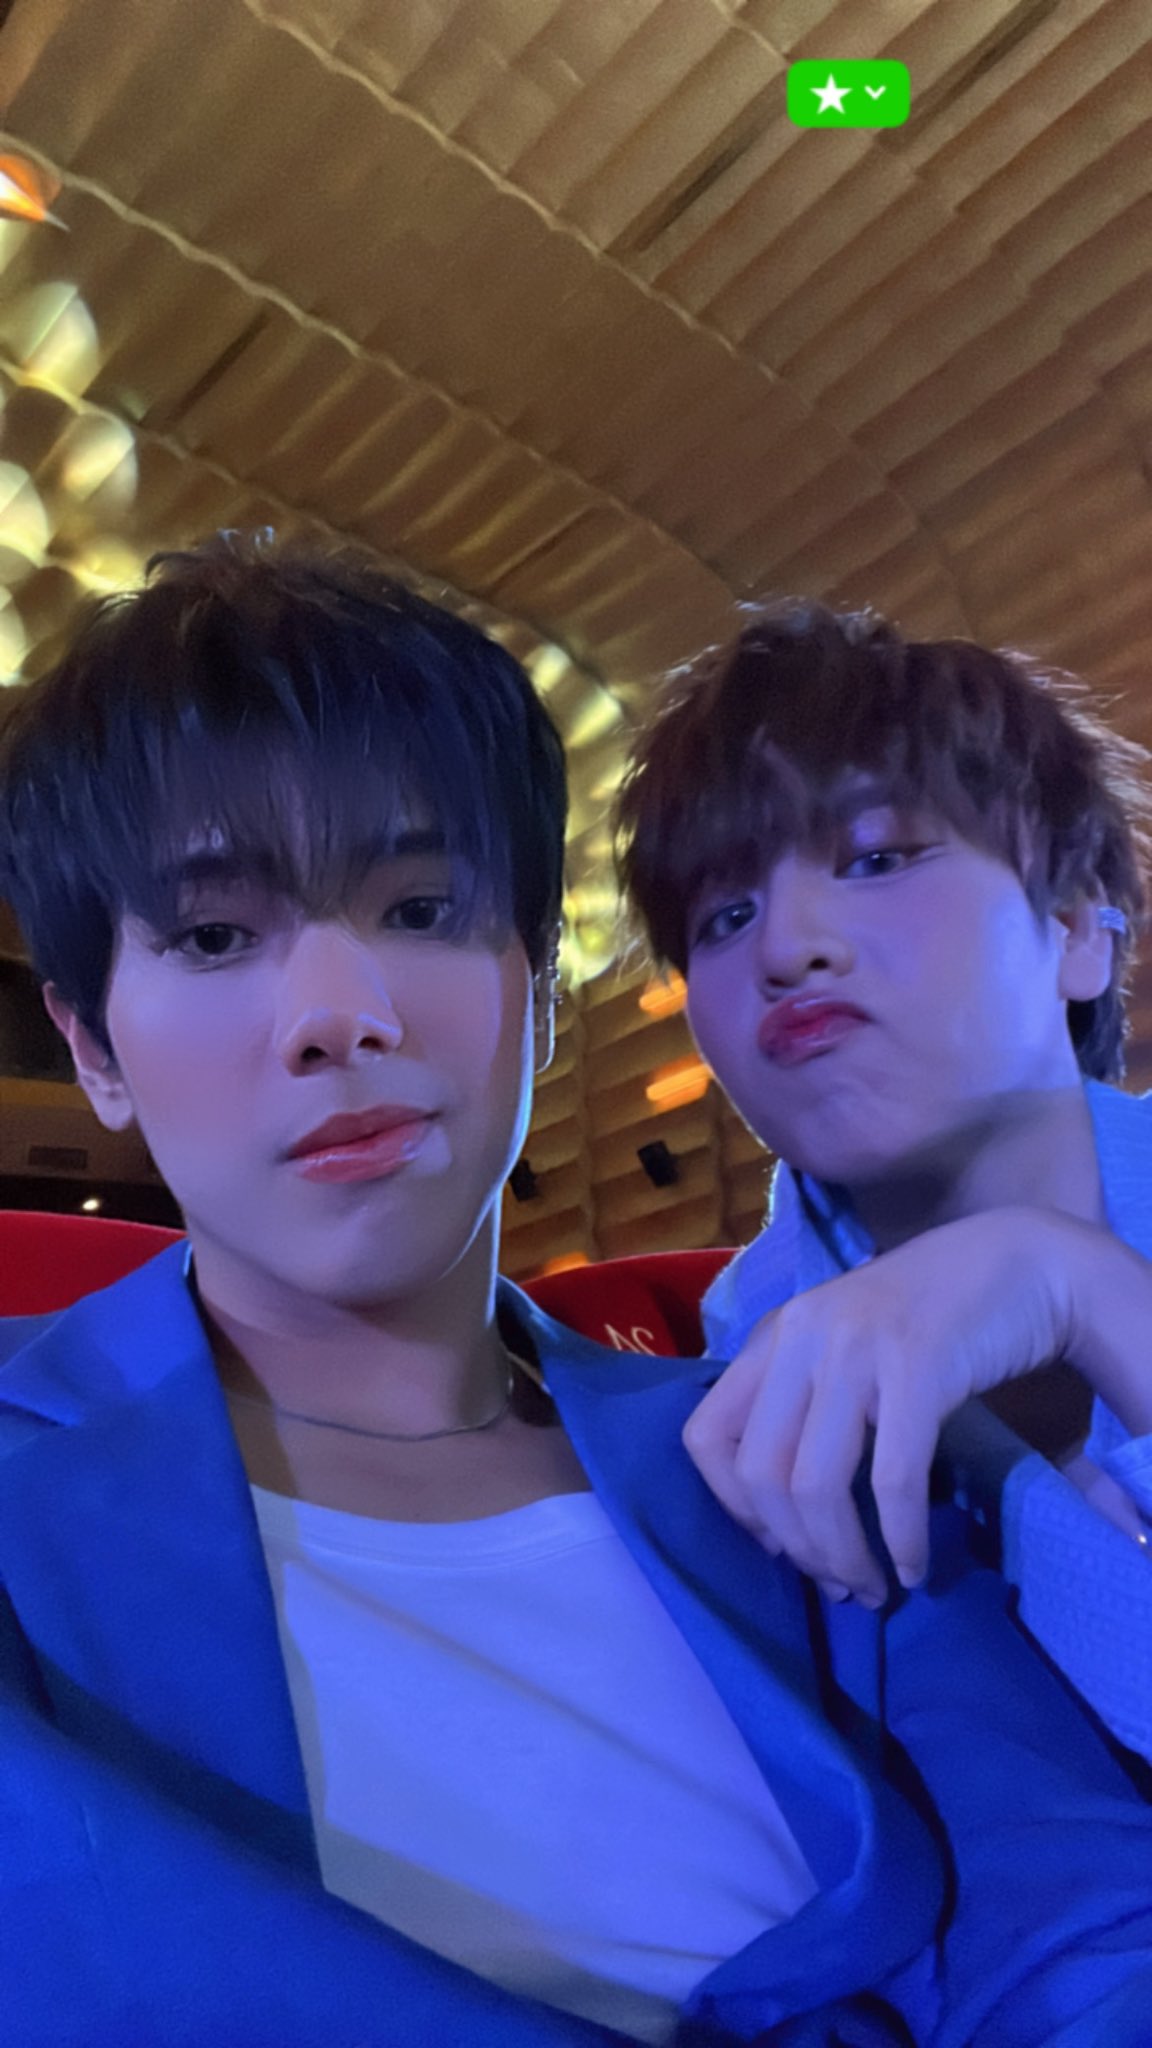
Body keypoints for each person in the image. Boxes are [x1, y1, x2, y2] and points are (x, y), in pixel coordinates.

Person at [2, 539, 1152, 2048]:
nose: (338, 1017)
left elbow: (1082, 1934)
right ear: (92, 1047)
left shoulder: (784, 1448)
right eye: (216, 936)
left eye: (422, 908)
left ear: (542, 986)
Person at [614, 598, 1152, 1766]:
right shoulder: (731, 1386)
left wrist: (1081, 1287)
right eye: (725, 914)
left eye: (875, 858)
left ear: (1075, 930)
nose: (784, 947)